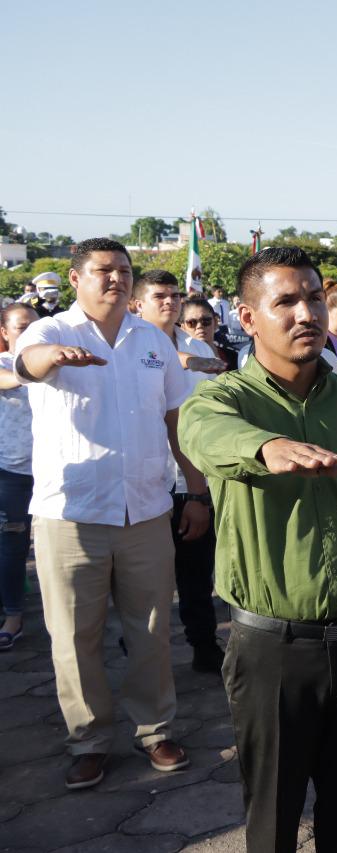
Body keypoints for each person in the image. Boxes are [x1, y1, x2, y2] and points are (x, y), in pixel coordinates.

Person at [178, 247, 337, 852]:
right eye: (284, 301)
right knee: (273, 820)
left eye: (312, 297)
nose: (305, 312)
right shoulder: (222, 399)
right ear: (248, 316)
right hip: (272, 653)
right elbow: (201, 433)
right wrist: (267, 449)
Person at [15, 238, 194, 789]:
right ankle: (88, 740)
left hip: (145, 511)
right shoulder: (50, 332)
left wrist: (200, 492)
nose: (114, 279)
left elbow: (177, 423)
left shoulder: (153, 343)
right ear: (75, 279)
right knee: (74, 636)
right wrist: (53, 359)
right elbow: (27, 363)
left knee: (152, 630)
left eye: (122, 270)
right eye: (102, 271)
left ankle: (155, 729)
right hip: (69, 517)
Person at [132, 269, 225, 673]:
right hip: (144, 478)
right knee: (145, 580)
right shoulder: (127, 346)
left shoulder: (193, 343)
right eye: (160, 296)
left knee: (196, 572)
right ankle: (139, 647)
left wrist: (198, 490)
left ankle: (203, 644)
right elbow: (176, 362)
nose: (171, 302)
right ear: (138, 304)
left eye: (174, 295)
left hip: (190, 475)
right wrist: (196, 360)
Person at [0, 302, 38, 651]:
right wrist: (39, 368)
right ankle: (13, 614)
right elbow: (7, 379)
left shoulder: (53, 362)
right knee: (13, 547)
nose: (27, 333)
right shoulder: (3, 365)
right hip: (13, 472)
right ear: (4, 332)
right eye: (20, 327)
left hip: (56, 472)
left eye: (33, 327)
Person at [181, 297, 238, 369]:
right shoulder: (175, 361)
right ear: (183, 328)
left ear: (216, 323)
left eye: (205, 321)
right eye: (192, 322)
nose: (199, 326)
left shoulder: (233, 357)